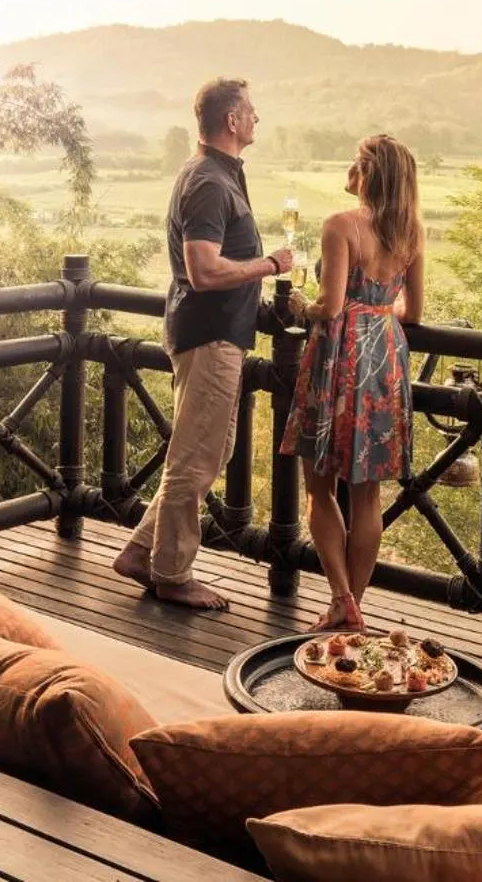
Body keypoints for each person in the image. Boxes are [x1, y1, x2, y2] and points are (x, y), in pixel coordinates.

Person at [114, 78, 291, 612]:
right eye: (251, 112)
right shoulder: (209, 181)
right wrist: (271, 266)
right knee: (195, 460)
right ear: (231, 121)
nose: (257, 119)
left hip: (218, 334)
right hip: (209, 336)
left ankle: (142, 551)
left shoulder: (217, 174)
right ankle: (172, 575)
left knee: (209, 451)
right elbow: (204, 270)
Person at [281, 134, 426, 632]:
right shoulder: (411, 234)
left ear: (367, 172)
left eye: (355, 161)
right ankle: (355, 604)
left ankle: (342, 599)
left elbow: (331, 305)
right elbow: (415, 311)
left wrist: (302, 306)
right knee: (367, 495)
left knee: (319, 487)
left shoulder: (340, 226)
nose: (349, 167)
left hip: (337, 357)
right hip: (385, 355)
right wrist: (378, 312)